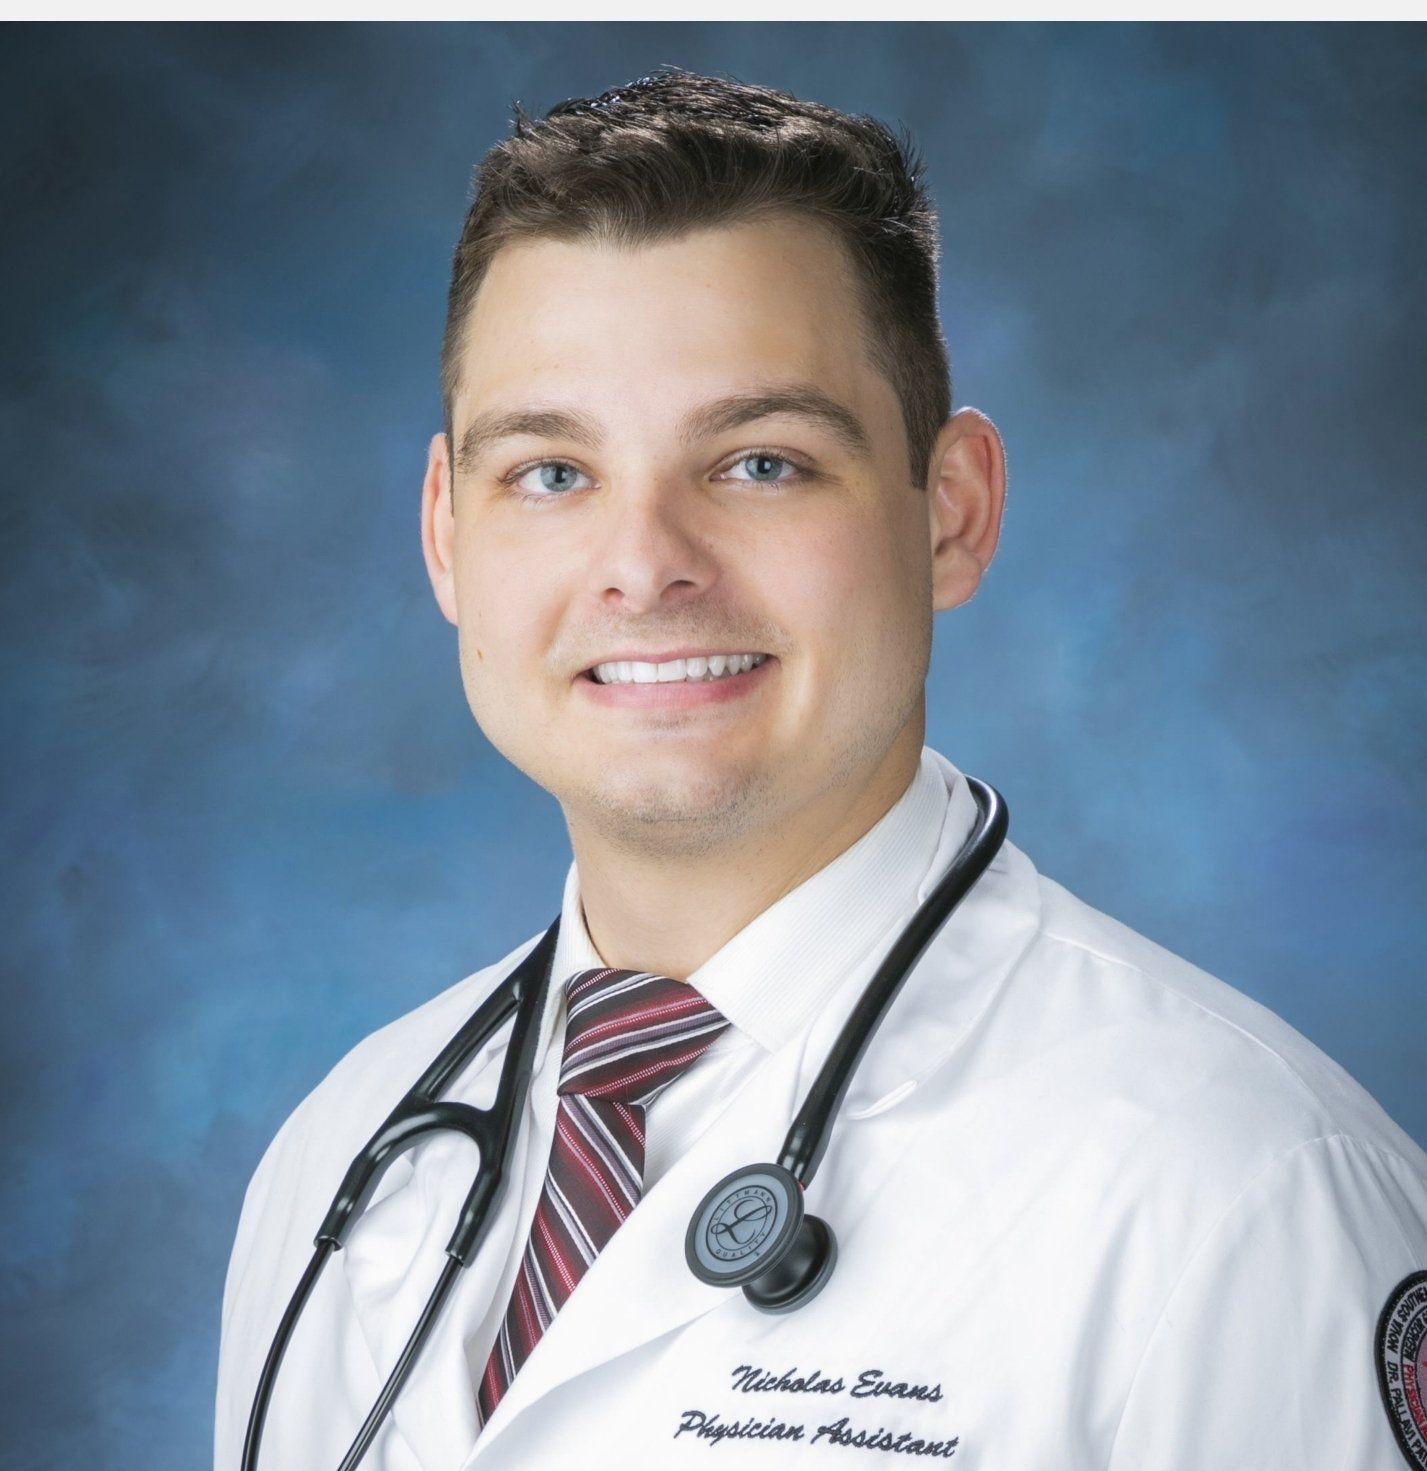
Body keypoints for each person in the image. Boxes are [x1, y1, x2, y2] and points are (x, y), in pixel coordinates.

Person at [213, 67, 1427, 1471]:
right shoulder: (344, 1160)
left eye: (761, 463)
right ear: (445, 536)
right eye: (550, 473)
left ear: (951, 515)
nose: (645, 565)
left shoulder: (1242, 1202)